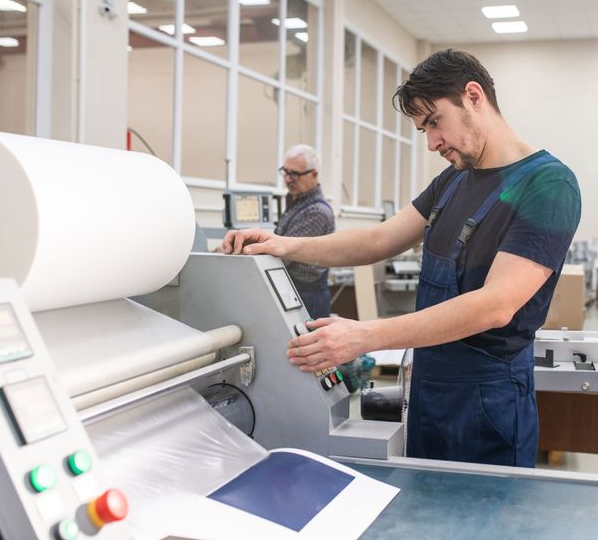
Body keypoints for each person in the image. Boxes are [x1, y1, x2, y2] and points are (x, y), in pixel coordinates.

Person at [223, 49, 581, 468]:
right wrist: (283, 244)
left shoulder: (547, 185)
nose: (432, 143)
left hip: (488, 404)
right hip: (429, 391)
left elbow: (496, 305)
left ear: (473, 96)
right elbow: (379, 239)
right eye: (422, 129)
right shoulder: (452, 180)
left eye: (434, 122)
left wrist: (364, 335)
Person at [275, 144, 335, 318]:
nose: (287, 179)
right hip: (294, 292)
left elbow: (284, 255)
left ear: (314, 175)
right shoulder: (295, 201)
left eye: (294, 174)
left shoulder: (316, 212)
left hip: (308, 298)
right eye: (285, 172)